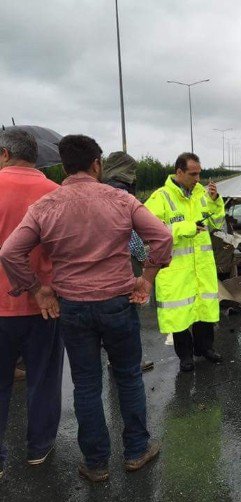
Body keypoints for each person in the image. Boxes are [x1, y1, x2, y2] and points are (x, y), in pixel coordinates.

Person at [0, 135, 173, 483]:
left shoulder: (47, 205)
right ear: (97, 164)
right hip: (118, 304)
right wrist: (147, 279)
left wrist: (38, 291)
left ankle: (96, 463)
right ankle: (137, 451)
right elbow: (163, 237)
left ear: (64, 166)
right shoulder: (121, 199)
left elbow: (9, 253)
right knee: (127, 378)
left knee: (87, 385)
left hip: (73, 307)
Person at [0, 129, 63, 480]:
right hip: (45, 305)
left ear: (5, 153)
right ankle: (39, 449)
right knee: (43, 379)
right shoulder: (55, 194)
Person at [144, 153, 225, 372]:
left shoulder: (202, 194)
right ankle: (185, 357)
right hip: (176, 271)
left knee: (204, 310)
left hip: (202, 267)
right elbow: (149, 232)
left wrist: (217, 202)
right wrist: (185, 228)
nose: (198, 178)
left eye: (199, 173)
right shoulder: (160, 197)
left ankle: (205, 348)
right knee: (179, 317)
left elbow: (217, 223)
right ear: (179, 172)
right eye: (193, 174)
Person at [103, 151, 154, 373]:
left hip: (102, 263)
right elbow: (131, 236)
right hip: (125, 263)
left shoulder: (100, 191)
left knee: (109, 315)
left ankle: (113, 360)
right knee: (128, 313)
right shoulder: (123, 195)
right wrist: (143, 259)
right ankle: (130, 362)